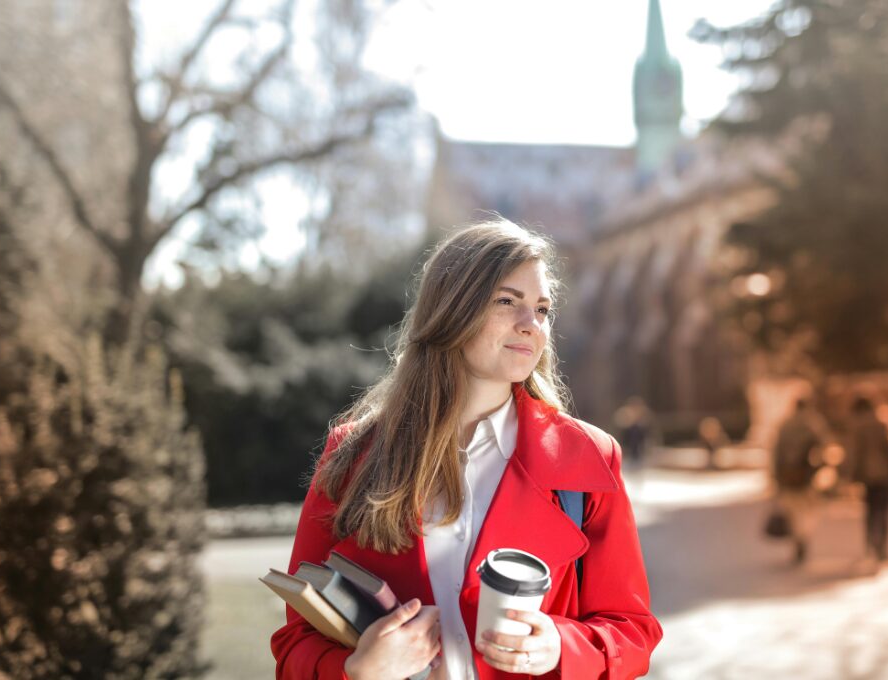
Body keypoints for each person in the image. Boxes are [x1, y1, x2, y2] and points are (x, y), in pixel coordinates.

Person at [271, 220, 662, 679]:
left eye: (542, 308)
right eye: (506, 301)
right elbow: (295, 641)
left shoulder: (589, 458)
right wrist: (357, 670)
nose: (531, 325)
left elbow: (633, 631)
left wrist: (561, 645)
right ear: (451, 311)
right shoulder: (353, 454)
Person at [846, 396, 888, 562]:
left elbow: (854, 454)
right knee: (884, 510)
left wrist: (852, 475)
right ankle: (883, 546)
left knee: (870, 511)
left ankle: (871, 542)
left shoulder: (857, 427)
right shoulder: (882, 422)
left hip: (867, 475)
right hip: (885, 474)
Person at [772, 397, 823, 565]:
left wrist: (776, 476)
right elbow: (822, 448)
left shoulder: (785, 426)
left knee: (792, 510)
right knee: (806, 510)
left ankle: (797, 539)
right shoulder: (812, 425)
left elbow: (776, 453)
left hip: (787, 476)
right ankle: (803, 538)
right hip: (805, 475)